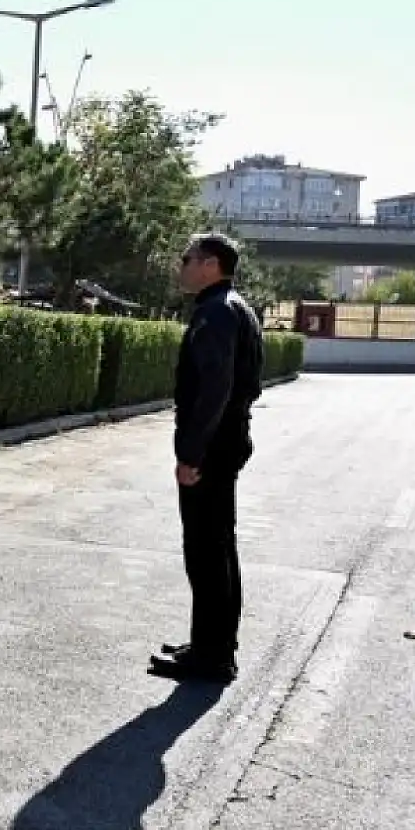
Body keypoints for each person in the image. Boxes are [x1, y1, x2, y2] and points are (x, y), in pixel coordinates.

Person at [150, 232, 263, 684]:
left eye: (188, 258)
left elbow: (214, 390)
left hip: (212, 449)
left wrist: (191, 454)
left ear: (211, 264)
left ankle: (212, 657)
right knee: (218, 549)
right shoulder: (236, 307)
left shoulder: (216, 312)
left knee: (205, 551)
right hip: (227, 440)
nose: (182, 266)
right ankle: (213, 644)